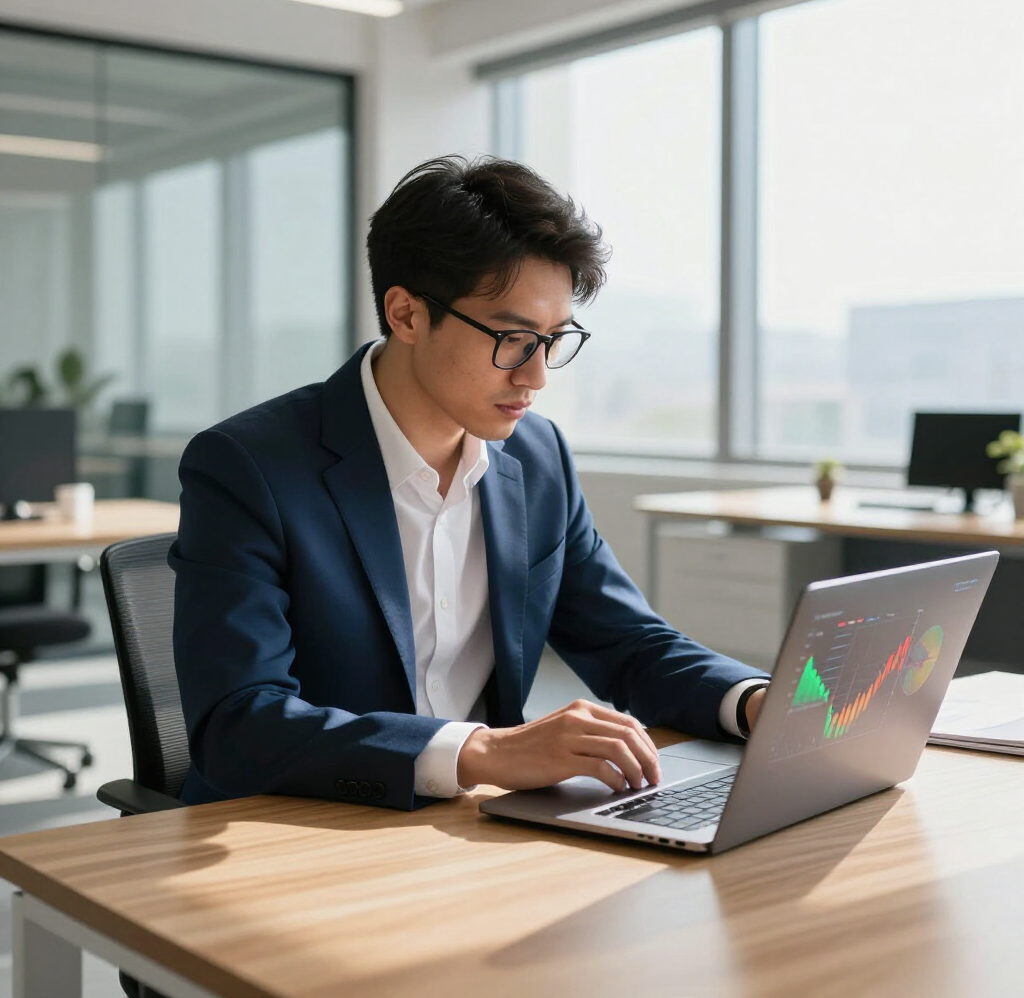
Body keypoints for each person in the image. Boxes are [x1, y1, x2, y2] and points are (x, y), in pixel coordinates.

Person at [169, 155, 769, 810]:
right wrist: (482, 752)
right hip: (303, 829)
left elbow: (628, 642)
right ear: (405, 315)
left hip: (477, 828)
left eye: (553, 339)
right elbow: (238, 724)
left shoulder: (538, 458)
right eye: (512, 338)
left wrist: (757, 702)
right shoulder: (249, 466)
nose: (536, 377)